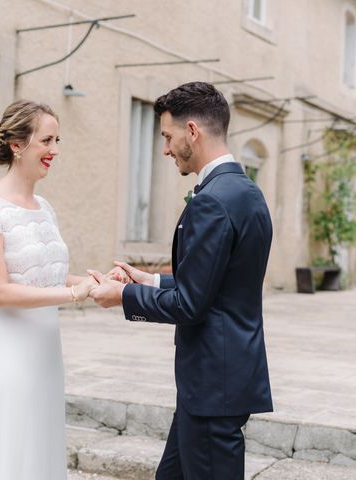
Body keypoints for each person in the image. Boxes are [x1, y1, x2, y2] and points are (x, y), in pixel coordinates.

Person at [90, 82, 273, 480]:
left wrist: (122, 295)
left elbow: (191, 305)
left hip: (212, 383)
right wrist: (150, 280)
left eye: (167, 137)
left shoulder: (211, 200)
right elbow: (216, 286)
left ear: (192, 131)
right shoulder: (247, 192)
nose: (165, 149)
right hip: (221, 378)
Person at [0, 100, 97, 479]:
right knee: (8, 447)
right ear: (17, 145)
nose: (55, 150)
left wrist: (93, 283)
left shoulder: (44, 207)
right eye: (47, 140)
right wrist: (73, 295)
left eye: (58, 140)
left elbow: (46, 277)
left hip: (45, 350)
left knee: (40, 445)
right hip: (8, 348)